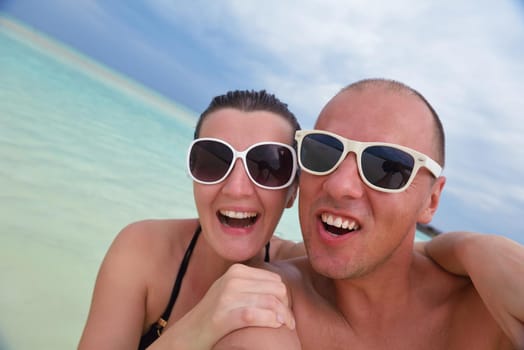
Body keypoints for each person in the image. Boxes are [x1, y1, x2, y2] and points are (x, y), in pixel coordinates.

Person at [213, 79, 524, 349]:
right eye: (323, 152)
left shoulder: (491, 307)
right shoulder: (270, 298)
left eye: (386, 167)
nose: (339, 185)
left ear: (431, 200)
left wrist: (475, 248)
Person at [78, 90, 305, 350]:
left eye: (268, 168)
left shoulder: (301, 274)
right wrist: (199, 326)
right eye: (213, 161)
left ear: (292, 193)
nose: (236, 188)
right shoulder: (142, 251)